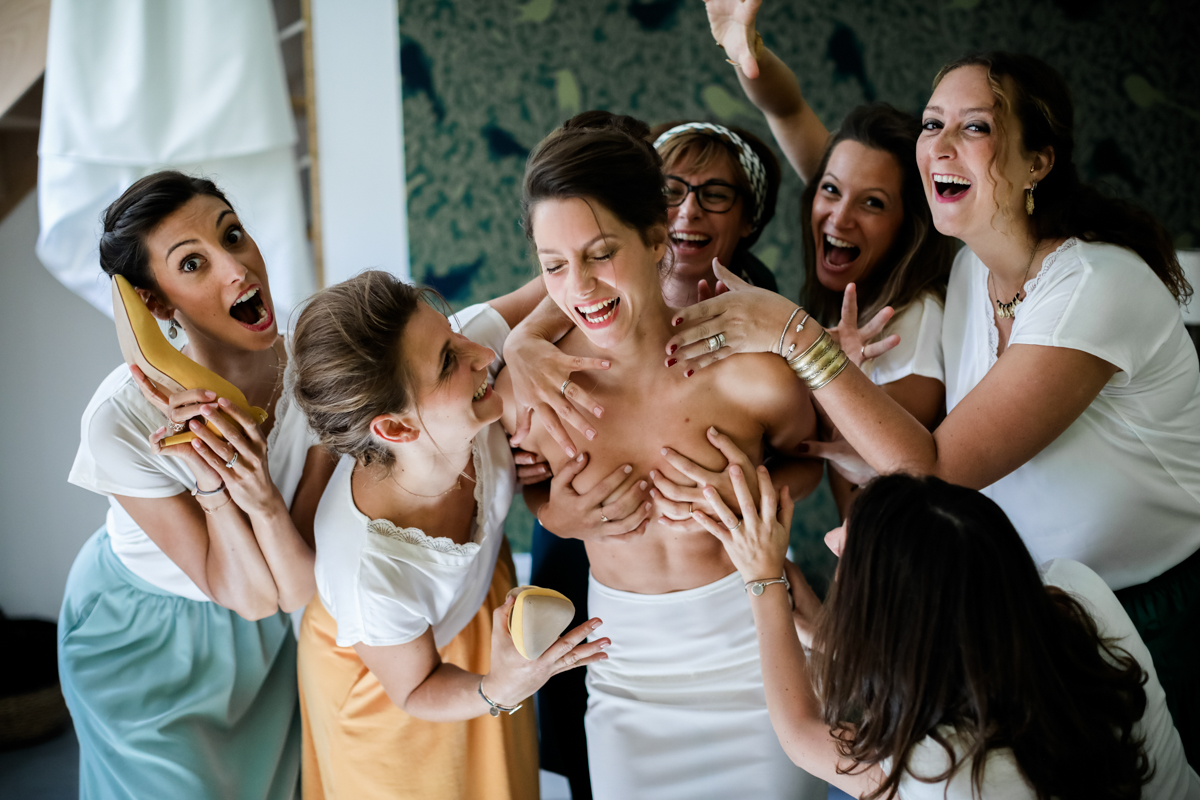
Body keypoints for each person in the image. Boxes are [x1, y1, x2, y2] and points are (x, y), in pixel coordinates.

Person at [665, 51, 1200, 764]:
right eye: (931, 123)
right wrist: (748, 56)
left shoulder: (1094, 286)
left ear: (1038, 162)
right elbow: (828, 167)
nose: (941, 145)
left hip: (1153, 610)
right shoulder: (970, 267)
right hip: (1022, 609)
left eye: (974, 126)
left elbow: (938, 467)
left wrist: (793, 336)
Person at [496, 110, 825, 799]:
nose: (580, 287)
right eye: (554, 266)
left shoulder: (750, 373)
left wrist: (754, 495)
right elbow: (524, 488)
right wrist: (554, 512)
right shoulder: (533, 391)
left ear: (656, 238)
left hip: (753, 658)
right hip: (627, 679)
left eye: (599, 255)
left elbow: (811, 458)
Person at [61, 171, 333, 799]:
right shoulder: (121, 421)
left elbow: (285, 587)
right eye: (192, 263)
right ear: (154, 305)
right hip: (140, 637)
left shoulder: (319, 376)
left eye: (232, 235)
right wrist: (211, 480)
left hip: (264, 630)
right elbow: (237, 588)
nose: (237, 268)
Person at [290, 270, 609, 800]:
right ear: (396, 429)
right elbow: (415, 689)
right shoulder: (370, 573)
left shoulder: (461, 362)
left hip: (479, 623)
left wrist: (526, 339)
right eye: (447, 361)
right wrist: (498, 688)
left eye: (454, 332)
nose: (482, 353)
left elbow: (571, 283)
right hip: (390, 687)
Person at [693, 468, 1200, 799]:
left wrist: (762, 580)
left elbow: (802, 732)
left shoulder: (938, 771)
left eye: (852, 547)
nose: (830, 538)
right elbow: (948, 646)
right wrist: (830, 638)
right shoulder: (1072, 591)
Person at [699, 0, 956, 512]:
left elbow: (888, 466)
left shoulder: (914, 319)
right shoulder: (854, 292)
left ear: (908, 225)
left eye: (873, 203)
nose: (840, 218)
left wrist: (813, 357)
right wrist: (745, 51)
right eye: (831, 189)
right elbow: (787, 110)